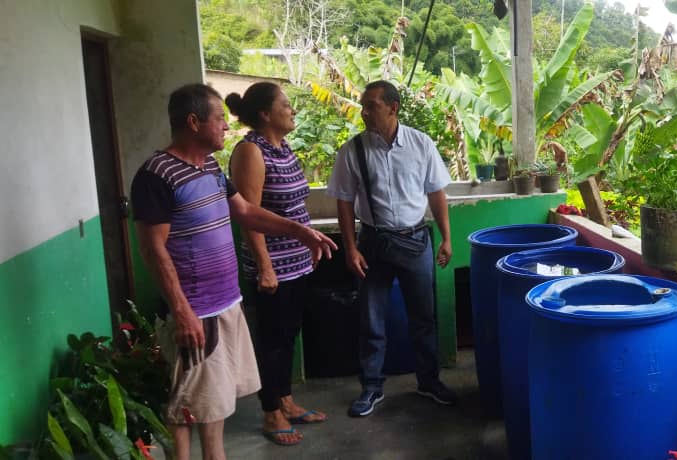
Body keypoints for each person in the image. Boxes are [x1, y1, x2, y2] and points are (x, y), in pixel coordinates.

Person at [131, 83, 337, 460]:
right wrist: (181, 310)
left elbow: (243, 211)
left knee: (215, 396)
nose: (227, 126)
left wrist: (300, 231)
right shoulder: (156, 175)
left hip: (226, 302)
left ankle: (215, 455)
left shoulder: (208, 166)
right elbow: (152, 248)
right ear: (194, 122)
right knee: (186, 401)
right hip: (196, 310)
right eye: (220, 119)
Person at [327, 80, 456, 418]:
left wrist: (446, 237)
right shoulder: (352, 150)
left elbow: (436, 194)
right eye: (363, 105)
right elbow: (343, 203)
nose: (364, 112)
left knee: (424, 319)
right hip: (372, 244)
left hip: (416, 241)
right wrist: (350, 249)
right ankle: (371, 387)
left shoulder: (421, 144)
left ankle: (428, 381)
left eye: (371, 105)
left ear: (393, 107)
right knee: (371, 320)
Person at [225, 82, 325, 446]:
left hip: (297, 262)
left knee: (288, 335)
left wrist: (309, 244)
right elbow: (249, 215)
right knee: (272, 342)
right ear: (265, 114)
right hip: (274, 267)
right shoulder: (251, 151)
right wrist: (265, 266)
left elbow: (294, 206)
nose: (292, 110)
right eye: (286, 105)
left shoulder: (283, 148)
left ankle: (285, 401)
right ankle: (271, 413)